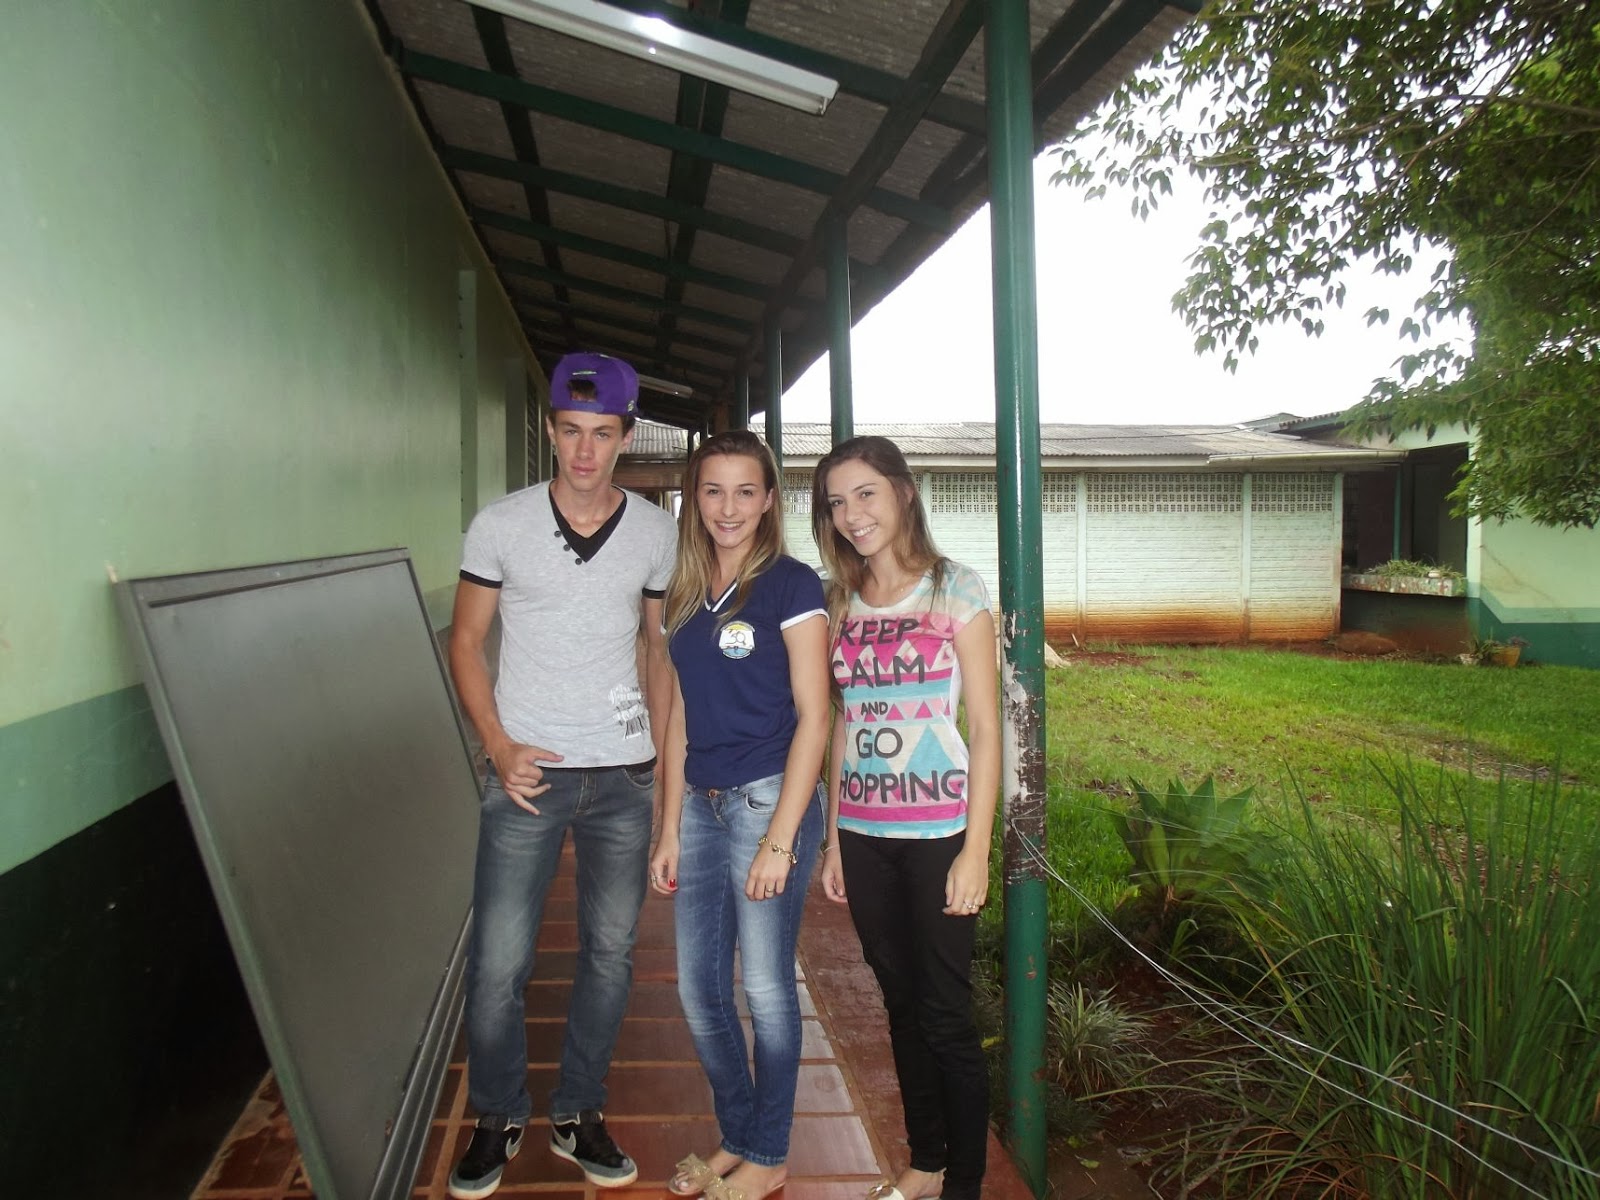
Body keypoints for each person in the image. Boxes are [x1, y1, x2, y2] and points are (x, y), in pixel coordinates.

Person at [446, 352, 677, 1199]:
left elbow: (656, 648)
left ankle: (578, 1110)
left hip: (622, 778)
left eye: (602, 434)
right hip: (528, 778)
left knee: (609, 955)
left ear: (625, 438)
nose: (585, 451)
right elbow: (466, 641)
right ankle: (498, 1113)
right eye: (571, 431)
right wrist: (498, 744)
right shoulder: (500, 526)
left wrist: (658, 762)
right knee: (499, 963)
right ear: (550, 429)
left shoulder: (656, 534)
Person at [812, 436, 999, 1200]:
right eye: (836, 502)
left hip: (938, 836)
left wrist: (976, 850)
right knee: (898, 1002)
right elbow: (840, 723)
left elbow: (985, 727)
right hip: (863, 834)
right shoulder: (838, 600)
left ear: (903, 492)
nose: (852, 514)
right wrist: (833, 838)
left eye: (866, 493)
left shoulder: (956, 588)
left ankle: (966, 1181)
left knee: (945, 1012)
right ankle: (925, 1162)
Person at [649, 430, 830, 1200]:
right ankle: (739, 1136)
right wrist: (668, 826)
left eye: (745, 491)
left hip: (768, 799)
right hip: (700, 803)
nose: (728, 508)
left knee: (765, 987)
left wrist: (781, 841)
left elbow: (816, 716)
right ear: (694, 499)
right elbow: (679, 716)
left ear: (768, 500)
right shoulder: (684, 592)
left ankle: (770, 1153)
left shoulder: (792, 585)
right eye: (713, 490)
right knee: (698, 990)